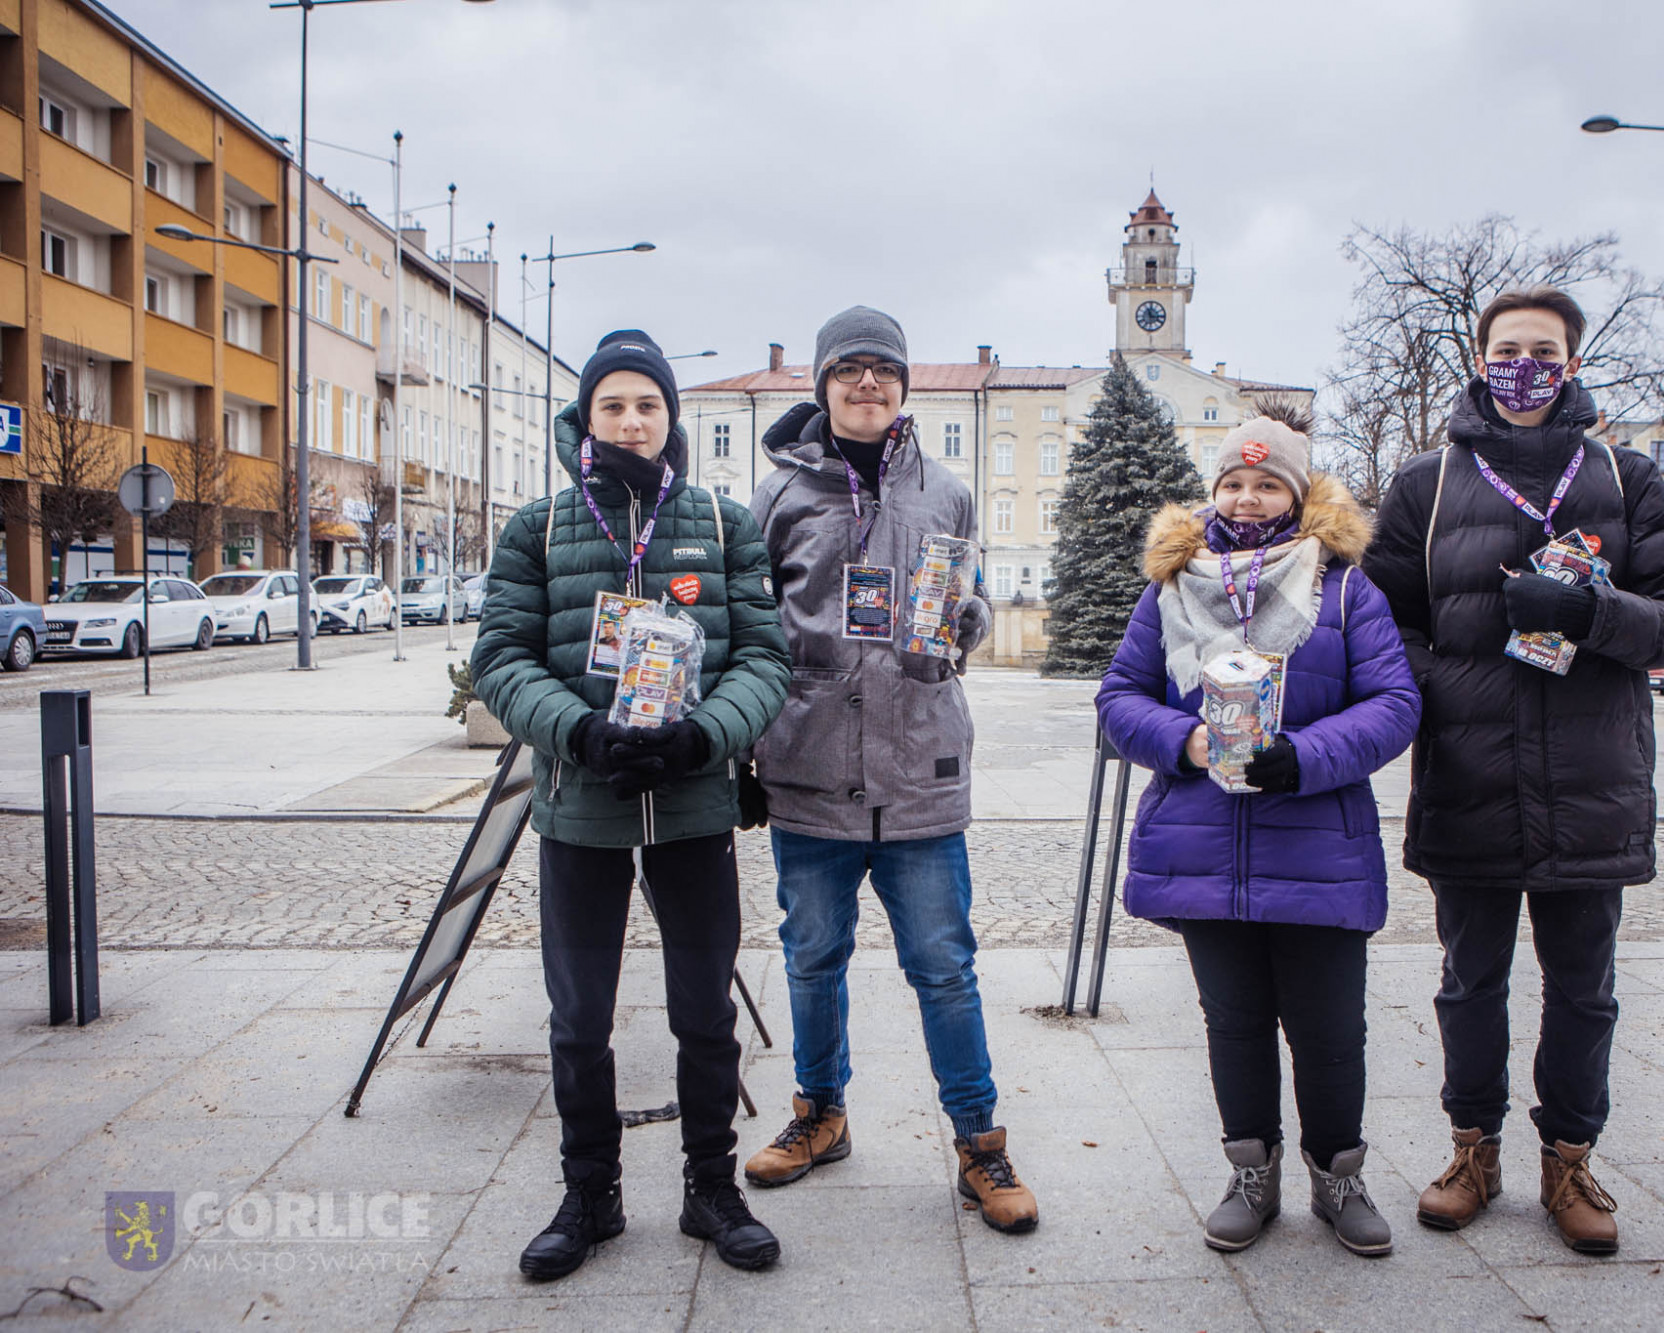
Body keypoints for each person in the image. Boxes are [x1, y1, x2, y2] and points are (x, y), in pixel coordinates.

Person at [1362, 286, 1664, 1255]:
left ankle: (1568, 1159)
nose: (1524, 366)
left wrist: (1588, 615)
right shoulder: (1424, 486)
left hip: (1590, 782)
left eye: (1543, 351)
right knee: (1468, 982)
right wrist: (1452, 684)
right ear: (1479, 360)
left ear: (1569, 361)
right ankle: (1470, 1150)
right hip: (1468, 774)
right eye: (1506, 349)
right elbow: (1378, 623)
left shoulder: (1624, 475)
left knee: (1583, 989)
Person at [472, 329, 793, 1278]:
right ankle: (591, 1193)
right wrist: (579, 730)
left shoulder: (724, 524)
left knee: (705, 1012)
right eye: (613, 404)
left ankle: (710, 1186)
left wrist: (704, 736)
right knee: (579, 1017)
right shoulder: (538, 527)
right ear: (586, 417)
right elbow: (501, 657)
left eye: (647, 404)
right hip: (583, 807)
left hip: (693, 806)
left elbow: (766, 658)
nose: (631, 419)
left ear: (669, 418)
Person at [1096, 405, 1420, 1255]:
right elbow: (1119, 699)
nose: (1246, 498)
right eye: (1233, 483)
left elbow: (1394, 704)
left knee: (1328, 1027)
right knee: (1233, 1022)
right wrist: (1186, 739)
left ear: (1298, 491)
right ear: (1215, 491)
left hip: (1317, 844)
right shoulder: (1171, 589)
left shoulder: (1346, 587)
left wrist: (1304, 756)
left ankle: (1338, 1176)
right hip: (1204, 845)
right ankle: (1251, 1169)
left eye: (1266, 481)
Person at [742, 306, 1037, 1234]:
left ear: (905, 386)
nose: (866, 383)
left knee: (945, 966)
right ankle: (819, 1114)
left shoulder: (944, 492)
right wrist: (752, 738)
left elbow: (973, 602)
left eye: (882, 370)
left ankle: (979, 1144)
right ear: (823, 385)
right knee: (812, 957)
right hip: (811, 768)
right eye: (848, 370)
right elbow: (749, 621)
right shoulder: (779, 494)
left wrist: (963, 622)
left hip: (920, 766)